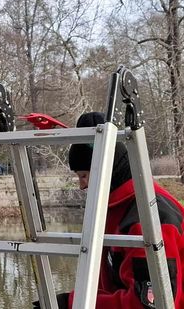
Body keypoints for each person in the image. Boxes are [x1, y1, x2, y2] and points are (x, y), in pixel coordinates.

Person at [36, 112, 184, 308]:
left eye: (83, 176)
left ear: (105, 169)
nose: (81, 186)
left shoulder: (149, 219)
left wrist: (72, 303)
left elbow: (150, 304)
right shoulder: (114, 209)